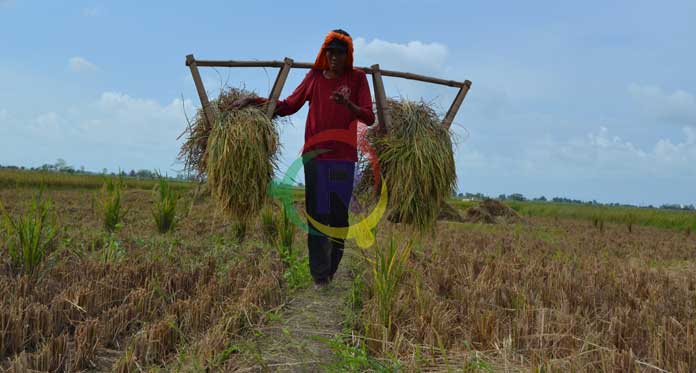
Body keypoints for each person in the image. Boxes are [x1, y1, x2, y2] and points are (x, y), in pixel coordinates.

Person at [233, 29, 376, 289]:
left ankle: (331, 267)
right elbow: (289, 105)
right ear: (324, 53)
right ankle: (320, 276)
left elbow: (369, 117)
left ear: (348, 56)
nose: (334, 58)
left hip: (344, 159)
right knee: (317, 215)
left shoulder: (357, 79)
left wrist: (348, 105)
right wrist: (255, 101)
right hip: (315, 158)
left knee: (339, 218)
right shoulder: (314, 77)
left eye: (339, 53)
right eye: (330, 52)